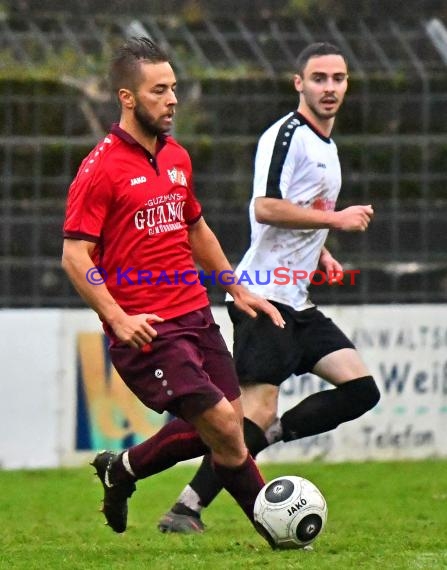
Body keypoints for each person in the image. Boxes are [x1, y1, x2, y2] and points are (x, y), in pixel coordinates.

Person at [61, 37, 286, 543]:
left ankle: (123, 469)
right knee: (227, 430)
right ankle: (279, 528)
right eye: (159, 90)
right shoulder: (101, 169)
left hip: (197, 316)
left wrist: (237, 288)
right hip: (149, 329)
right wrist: (117, 319)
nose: (172, 99)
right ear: (127, 97)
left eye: (174, 88)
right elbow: (75, 256)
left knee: (230, 428)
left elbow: (195, 228)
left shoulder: (177, 157)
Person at [158, 42, 381, 534]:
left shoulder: (328, 145)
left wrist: (320, 249)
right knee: (250, 413)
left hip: (298, 301)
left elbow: (298, 215)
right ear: (298, 83)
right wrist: (335, 219)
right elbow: (265, 207)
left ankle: (271, 435)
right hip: (262, 296)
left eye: (338, 79)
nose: (329, 88)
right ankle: (185, 506)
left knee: (361, 390)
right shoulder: (288, 135)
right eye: (318, 78)